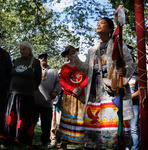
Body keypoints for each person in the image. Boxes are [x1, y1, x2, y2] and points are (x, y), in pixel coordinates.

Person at [69, 17, 135, 149]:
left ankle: (115, 145)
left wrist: (125, 70)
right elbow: (86, 69)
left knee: (113, 120)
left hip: (111, 89)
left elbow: (130, 64)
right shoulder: (92, 50)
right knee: (94, 120)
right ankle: (94, 144)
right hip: (94, 91)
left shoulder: (118, 45)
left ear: (110, 28)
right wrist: (74, 56)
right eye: (97, 23)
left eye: (102, 23)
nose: (98, 25)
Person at [1, 41, 41, 149]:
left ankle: (22, 139)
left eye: (24, 49)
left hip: (27, 96)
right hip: (13, 94)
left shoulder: (35, 63)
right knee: (12, 117)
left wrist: (30, 89)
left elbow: (38, 79)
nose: (21, 51)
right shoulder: (16, 61)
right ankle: (9, 138)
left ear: (29, 50)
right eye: (20, 49)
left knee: (25, 118)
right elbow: (10, 75)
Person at [58, 46, 88, 150]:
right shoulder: (64, 67)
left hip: (81, 95)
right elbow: (62, 81)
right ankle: (64, 142)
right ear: (66, 55)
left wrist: (80, 88)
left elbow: (87, 77)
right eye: (69, 53)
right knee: (67, 117)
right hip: (68, 96)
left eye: (73, 53)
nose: (70, 55)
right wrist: (72, 89)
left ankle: (83, 143)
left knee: (81, 118)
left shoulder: (82, 66)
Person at [33, 52, 61, 148]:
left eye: (45, 57)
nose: (43, 58)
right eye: (41, 57)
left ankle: (45, 141)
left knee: (46, 124)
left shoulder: (53, 71)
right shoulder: (34, 70)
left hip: (47, 103)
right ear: (38, 59)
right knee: (31, 123)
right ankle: (28, 139)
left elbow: (58, 84)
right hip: (34, 102)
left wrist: (54, 93)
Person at [129, 69, 140, 149]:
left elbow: (141, 90)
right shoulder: (120, 76)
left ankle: (134, 148)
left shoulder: (137, 76)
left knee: (134, 128)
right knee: (123, 127)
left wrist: (129, 97)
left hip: (134, 105)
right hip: (121, 105)